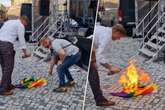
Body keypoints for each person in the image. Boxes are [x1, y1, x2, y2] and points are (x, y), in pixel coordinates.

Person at [89, 24, 126, 106]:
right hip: (87, 48)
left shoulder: (106, 31)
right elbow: (100, 56)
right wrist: (110, 67)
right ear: (116, 31)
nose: (119, 39)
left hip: (90, 49)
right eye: (119, 36)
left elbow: (98, 53)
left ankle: (100, 99)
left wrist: (109, 68)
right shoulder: (107, 37)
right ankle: (100, 100)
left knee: (93, 75)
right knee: (94, 77)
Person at [0, 16, 31, 96]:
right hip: (6, 46)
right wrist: (25, 53)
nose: (25, 26)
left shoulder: (9, 22)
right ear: (24, 21)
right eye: (25, 24)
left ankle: (7, 85)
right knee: (8, 67)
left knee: (4, 66)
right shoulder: (20, 25)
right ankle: (2, 89)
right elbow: (22, 40)